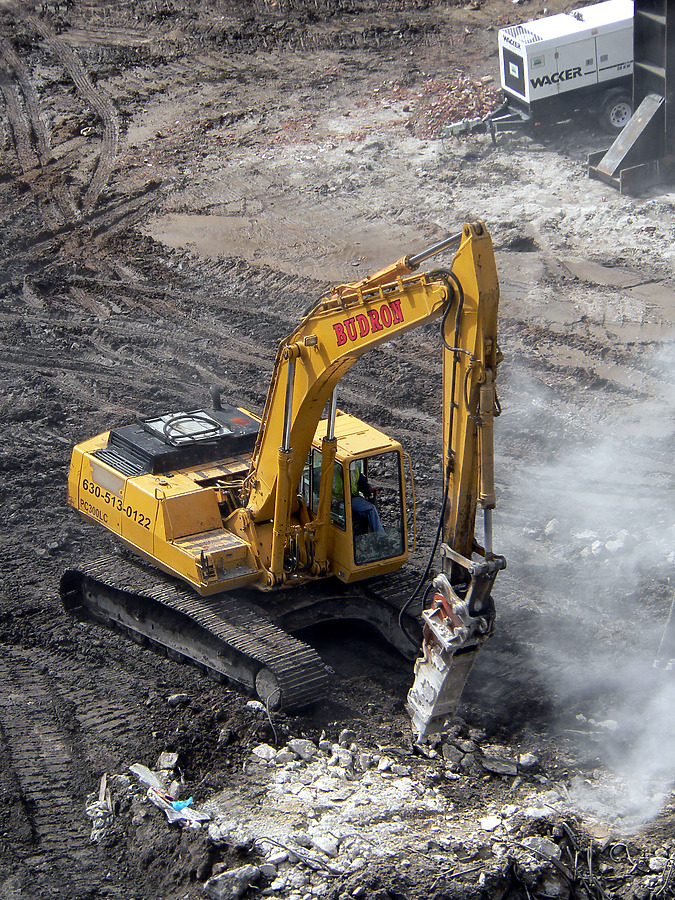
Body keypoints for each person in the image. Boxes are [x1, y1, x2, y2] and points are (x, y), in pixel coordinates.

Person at [349, 465, 384, 533]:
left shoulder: (354, 470)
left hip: (351, 497)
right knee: (371, 509)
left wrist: (368, 489)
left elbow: (360, 482)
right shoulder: (337, 470)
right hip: (342, 498)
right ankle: (381, 535)